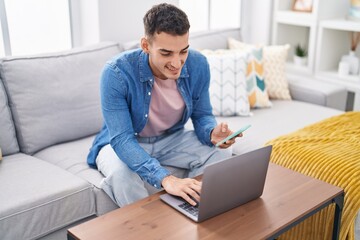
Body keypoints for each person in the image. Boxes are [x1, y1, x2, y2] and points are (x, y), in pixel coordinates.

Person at [87, 3, 242, 207]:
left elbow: (203, 114)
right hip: (122, 143)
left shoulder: (198, 64)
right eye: (166, 53)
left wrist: (211, 132)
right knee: (120, 175)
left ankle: (192, 210)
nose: (177, 63)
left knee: (222, 152)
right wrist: (166, 179)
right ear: (146, 45)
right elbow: (122, 139)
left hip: (170, 139)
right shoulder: (116, 73)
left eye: (183, 51)